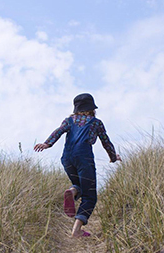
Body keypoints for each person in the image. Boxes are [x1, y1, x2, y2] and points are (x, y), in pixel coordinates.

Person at [34, 93, 121, 238]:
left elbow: (58, 131)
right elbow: (106, 142)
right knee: (90, 196)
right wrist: (113, 157)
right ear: (92, 107)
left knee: (78, 184)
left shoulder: (69, 120)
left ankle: (73, 191)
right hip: (84, 158)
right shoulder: (96, 122)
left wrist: (47, 143)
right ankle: (76, 231)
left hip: (67, 159)